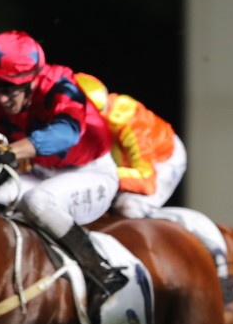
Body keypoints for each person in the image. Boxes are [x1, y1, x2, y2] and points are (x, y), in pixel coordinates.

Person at [0, 30, 128, 309]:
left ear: (33, 80)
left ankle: (102, 273)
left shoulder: (60, 84)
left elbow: (67, 133)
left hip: (91, 172)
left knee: (37, 202)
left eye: (9, 88)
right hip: (42, 172)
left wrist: (12, 151)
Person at [74, 73, 186, 219]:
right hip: (118, 158)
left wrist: (98, 174)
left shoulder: (132, 124)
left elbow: (146, 181)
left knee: (129, 208)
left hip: (161, 161)